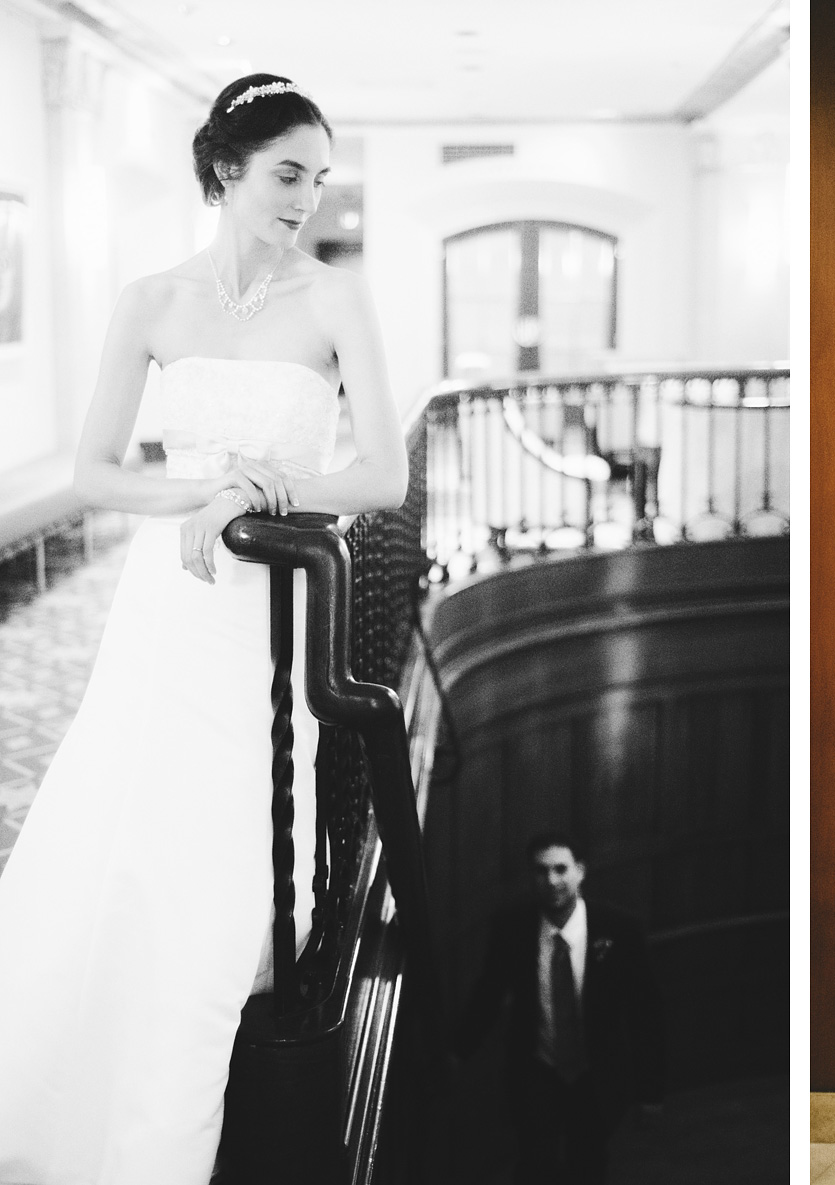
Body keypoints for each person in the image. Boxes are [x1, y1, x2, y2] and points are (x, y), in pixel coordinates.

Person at [0, 74, 406, 1183]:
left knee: (224, 852)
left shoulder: (333, 302)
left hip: (269, 618)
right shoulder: (149, 301)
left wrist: (261, 492)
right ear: (225, 168)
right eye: (288, 175)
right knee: (121, 828)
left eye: (320, 181)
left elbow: (381, 471)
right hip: (162, 609)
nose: (307, 200)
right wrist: (198, 497)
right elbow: (92, 475)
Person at [456, 833, 663, 1185]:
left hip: (596, 1074)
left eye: (560, 869)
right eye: (541, 871)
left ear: (580, 871)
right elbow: (488, 993)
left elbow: (646, 1011)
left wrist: (651, 1091)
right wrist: (456, 1051)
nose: (551, 881)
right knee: (536, 1163)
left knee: (589, 1162)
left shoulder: (620, 928)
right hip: (537, 1070)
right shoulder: (512, 927)